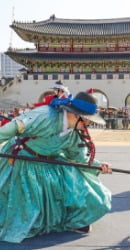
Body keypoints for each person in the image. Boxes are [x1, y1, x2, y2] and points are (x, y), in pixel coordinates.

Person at [0, 92, 112, 243]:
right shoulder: (44, 115)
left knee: (85, 187)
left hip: (50, 163)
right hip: (23, 162)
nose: (89, 124)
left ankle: (75, 220)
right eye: (87, 119)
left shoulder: (73, 133)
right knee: (25, 211)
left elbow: (79, 158)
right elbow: (9, 129)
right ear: (74, 114)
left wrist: (99, 166)